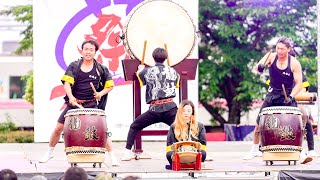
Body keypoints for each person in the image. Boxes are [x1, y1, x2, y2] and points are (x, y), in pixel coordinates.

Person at [39, 40, 120, 166]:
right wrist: (71, 97)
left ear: (95, 52)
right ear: (82, 50)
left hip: (91, 104)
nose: (88, 52)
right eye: (86, 49)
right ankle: (49, 152)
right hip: (74, 103)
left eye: (91, 49)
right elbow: (67, 83)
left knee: (102, 130)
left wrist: (100, 94)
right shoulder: (74, 66)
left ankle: (112, 157)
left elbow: (110, 86)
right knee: (58, 128)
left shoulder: (100, 69)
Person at [243, 36, 309, 163]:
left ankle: (300, 152)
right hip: (272, 94)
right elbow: (257, 67)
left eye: (282, 49)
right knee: (258, 124)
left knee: (296, 124)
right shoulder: (271, 57)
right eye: (278, 48)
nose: (279, 51)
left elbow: (299, 83)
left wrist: (291, 97)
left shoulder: (294, 63)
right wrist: (260, 67)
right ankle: (254, 149)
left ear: (289, 49)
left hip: (287, 95)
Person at [121, 48, 180, 161]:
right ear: (166, 58)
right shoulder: (173, 71)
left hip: (154, 109)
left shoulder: (147, 71)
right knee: (182, 128)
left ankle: (127, 153)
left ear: (153, 58)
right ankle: (193, 151)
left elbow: (140, 77)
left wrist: (140, 69)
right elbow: (176, 85)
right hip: (170, 108)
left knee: (134, 126)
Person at [166, 100, 207, 167]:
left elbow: (203, 144)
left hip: (193, 153)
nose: (186, 113)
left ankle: (194, 163)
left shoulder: (200, 126)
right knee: (169, 154)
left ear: (192, 112)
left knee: (203, 153)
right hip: (179, 153)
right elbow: (169, 146)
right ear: (180, 112)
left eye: (189, 111)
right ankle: (180, 164)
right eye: (183, 111)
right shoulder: (173, 126)